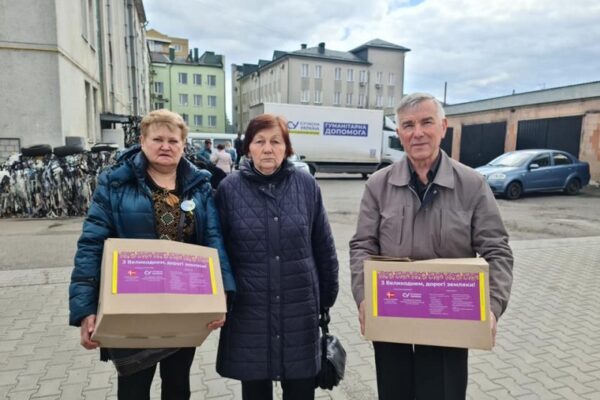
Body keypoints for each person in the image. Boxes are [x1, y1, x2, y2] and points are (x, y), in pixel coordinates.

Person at [349, 93, 513, 400]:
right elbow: (362, 245)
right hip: (391, 313)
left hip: (448, 319)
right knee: (394, 393)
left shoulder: (472, 184)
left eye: (426, 122)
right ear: (399, 133)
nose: (418, 133)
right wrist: (363, 297)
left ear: (443, 127)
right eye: (408, 125)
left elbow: (497, 250)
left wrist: (491, 308)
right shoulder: (378, 185)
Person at [69, 109, 236, 400]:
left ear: (183, 145)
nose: (165, 146)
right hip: (131, 305)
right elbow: (91, 244)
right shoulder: (115, 183)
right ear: (142, 141)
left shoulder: (199, 186)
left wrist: (222, 293)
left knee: (178, 386)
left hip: (184, 303)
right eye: (157, 139)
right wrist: (85, 309)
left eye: (173, 140)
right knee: (133, 390)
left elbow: (213, 239)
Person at [215, 114, 339, 400]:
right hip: (249, 311)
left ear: (287, 148)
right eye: (259, 141)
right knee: (255, 391)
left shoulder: (306, 185)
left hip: (300, 309)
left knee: (300, 391)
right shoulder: (229, 189)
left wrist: (326, 297)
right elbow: (218, 251)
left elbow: (324, 245)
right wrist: (222, 297)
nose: (268, 149)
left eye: (276, 141)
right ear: (248, 148)